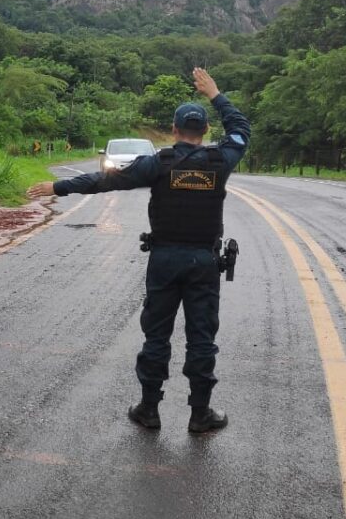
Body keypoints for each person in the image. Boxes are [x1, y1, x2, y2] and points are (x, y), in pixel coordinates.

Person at [27, 67, 250, 433]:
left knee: (156, 335)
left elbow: (105, 179)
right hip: (203, 262)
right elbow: (241, 130)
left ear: (174, 130)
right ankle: (200, 414)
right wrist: (216, 94)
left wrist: (59, 187)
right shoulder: (220, 161)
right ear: (206, 132)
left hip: (164, 261)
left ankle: (149, 409)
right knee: (202, 337)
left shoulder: (157, 164)